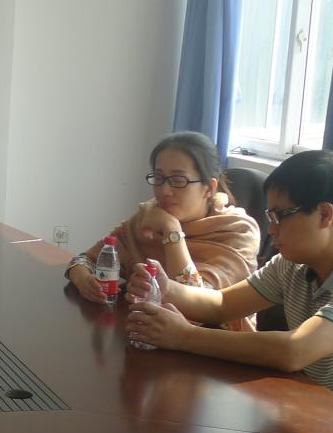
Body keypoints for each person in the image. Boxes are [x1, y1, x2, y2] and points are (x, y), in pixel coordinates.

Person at [125, 149, 333, 433]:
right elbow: (222, 304)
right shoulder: (295, 262)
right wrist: (166, 288)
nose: (271, 230)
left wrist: (184, 336)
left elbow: (294, 351)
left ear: (324, 214)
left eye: (279, 216)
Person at [65, 131, 260, 330]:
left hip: (215, 341)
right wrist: (84, 280)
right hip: (147, 333)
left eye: (178, 180)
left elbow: (197, 306)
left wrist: (171, 231)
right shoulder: (147, 218)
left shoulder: (239, 232)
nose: (164, 191)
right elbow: (83, 260)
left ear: (209, 188)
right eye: (159, 178)